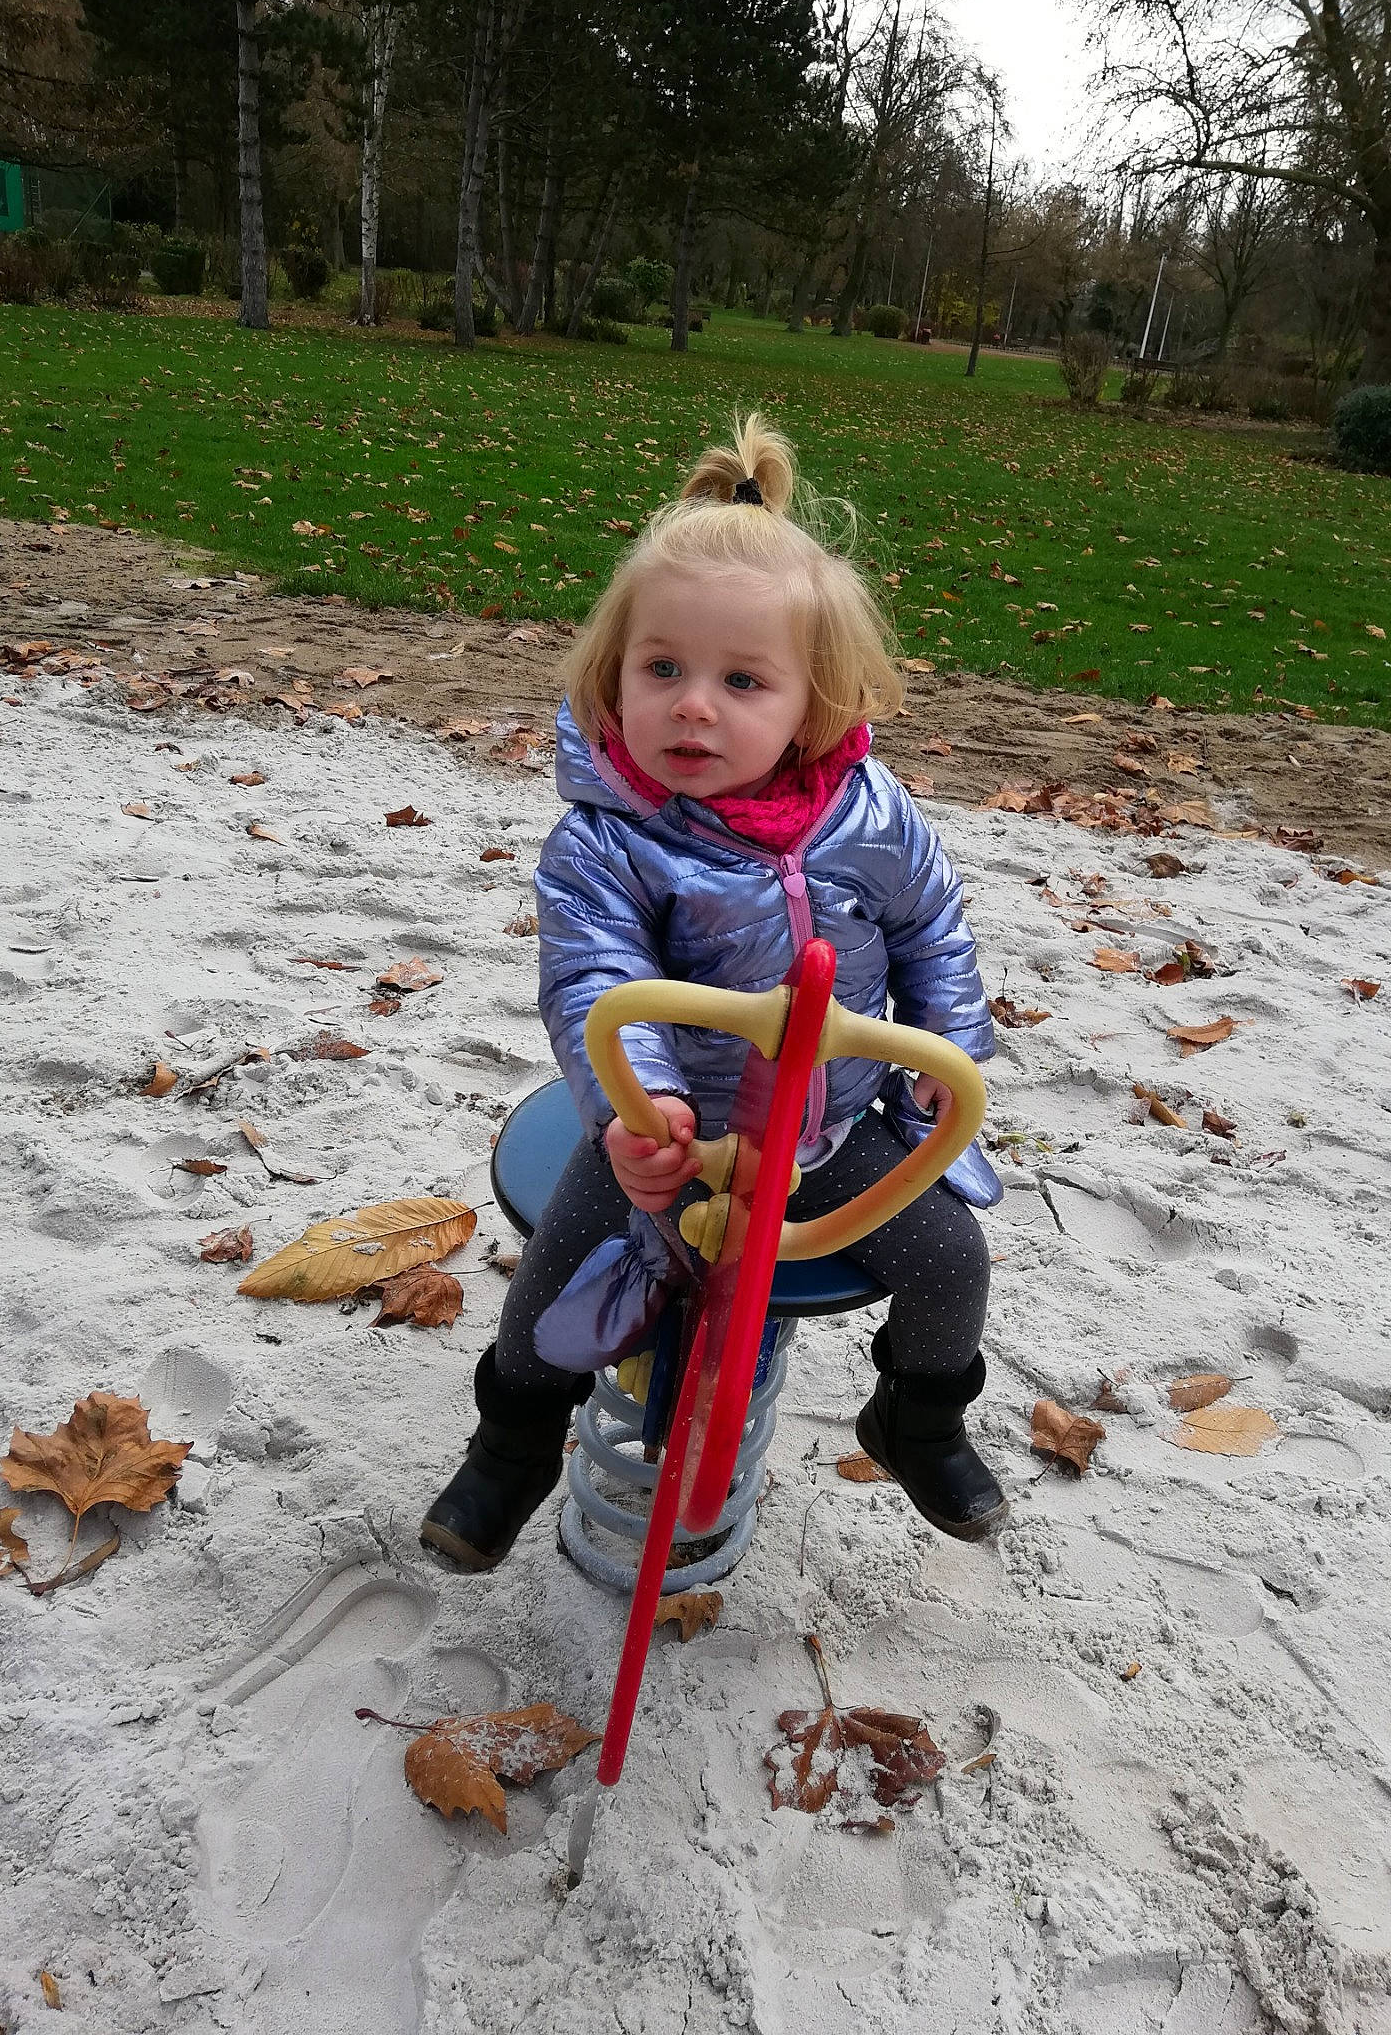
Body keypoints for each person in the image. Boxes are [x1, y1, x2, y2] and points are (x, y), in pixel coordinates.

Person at [421, 414, 1007, 1572]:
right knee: (551, 1286)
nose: (694, 704)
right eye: (663, 670)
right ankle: (512, 1443)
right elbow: (594, 979)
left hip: (825, 1128)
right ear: (615, 672)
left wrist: (947, 1051)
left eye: (742, 680)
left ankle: (920, 1418)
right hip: (668, 1136)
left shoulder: (871, 815)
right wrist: (640, 1115)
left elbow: (932, 929)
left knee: (952, 1260)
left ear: (813, 699)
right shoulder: (608, 840)